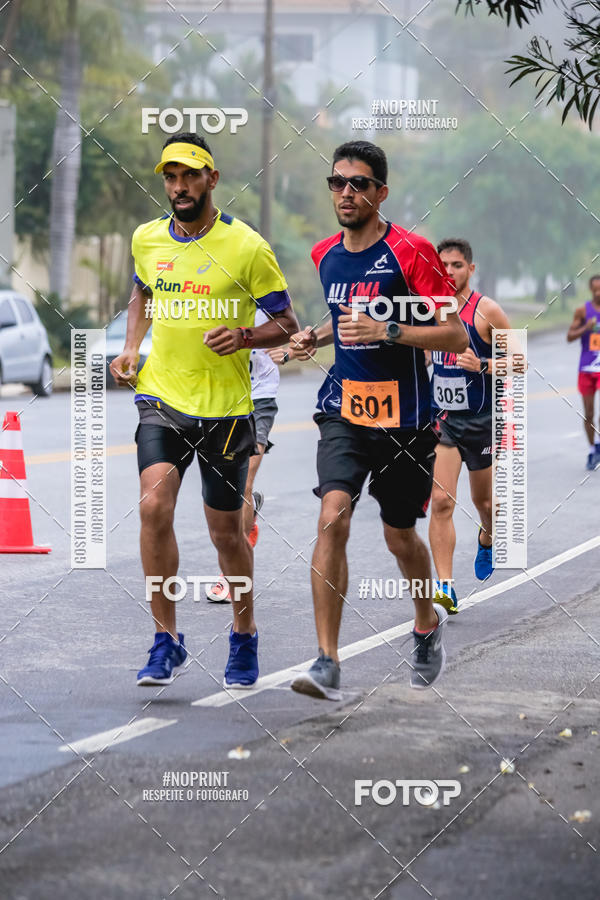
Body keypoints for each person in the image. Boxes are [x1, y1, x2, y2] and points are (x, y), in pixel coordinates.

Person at [109, 132, 298, 688]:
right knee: (153, 508)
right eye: (170, 176)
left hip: (225, 410)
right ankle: (166, 640)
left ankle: (244, 636)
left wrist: (244, 336)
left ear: (212, 180)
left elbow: (286, 323)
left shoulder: (248, 247)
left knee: (226, 533)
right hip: (162, 398)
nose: (179, 186)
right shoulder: (146, 238)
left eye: (190, 175)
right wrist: (129, 346)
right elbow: (143, 291)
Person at [288, 140, 468, 700]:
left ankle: (424, 622)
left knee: (399, 535)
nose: (346, 192)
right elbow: (346, 315)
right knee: (332, 516)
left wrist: (390, 331)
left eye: (358, 184)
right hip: (343, 406)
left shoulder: (411, 251)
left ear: (381, 193)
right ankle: (326, 661)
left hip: (407, 419)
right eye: (337, 182)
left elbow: (455, 333)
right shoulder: (325, 254)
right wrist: (313, 335)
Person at [428, 238, 512, 614]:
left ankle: (488, 534)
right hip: (444, 421)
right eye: (442, 265)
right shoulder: (429, 310)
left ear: (470, 270)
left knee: (486, 502)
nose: (448, 272)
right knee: (442, 501)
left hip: (482, 421)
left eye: (457, 265)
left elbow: (521, 361)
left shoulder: (487, 311)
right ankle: (444, 585)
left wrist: (483, 366)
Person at [208, 307, 280, 603]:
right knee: (225, 488)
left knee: (243, 484)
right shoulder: (208, 300)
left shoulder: (265, 301)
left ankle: (228, 575)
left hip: (259, 398)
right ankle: (249, 511)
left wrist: (287, 349)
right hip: (219, 400)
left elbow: (286, 329)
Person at [567, 274, 600, 470]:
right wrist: (585, 328)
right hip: (587, 368)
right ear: (590, 290)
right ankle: (592, 449)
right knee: (589, 413)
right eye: (594, 290)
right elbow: (570, 336)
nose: (598, 293)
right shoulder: (582, 312)